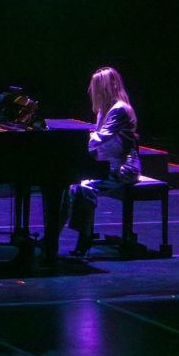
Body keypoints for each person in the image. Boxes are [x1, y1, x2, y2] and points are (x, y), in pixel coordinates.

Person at [67, 66, 141, 258]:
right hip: (107, 164)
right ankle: (72, 233)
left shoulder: (120, 110)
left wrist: (75, 144)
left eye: (98, 87)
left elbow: (101, 137)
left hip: (124, 167)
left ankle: (85, 239)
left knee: (85, 187)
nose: (95, 92)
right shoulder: (104, 110)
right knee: (72, 185)